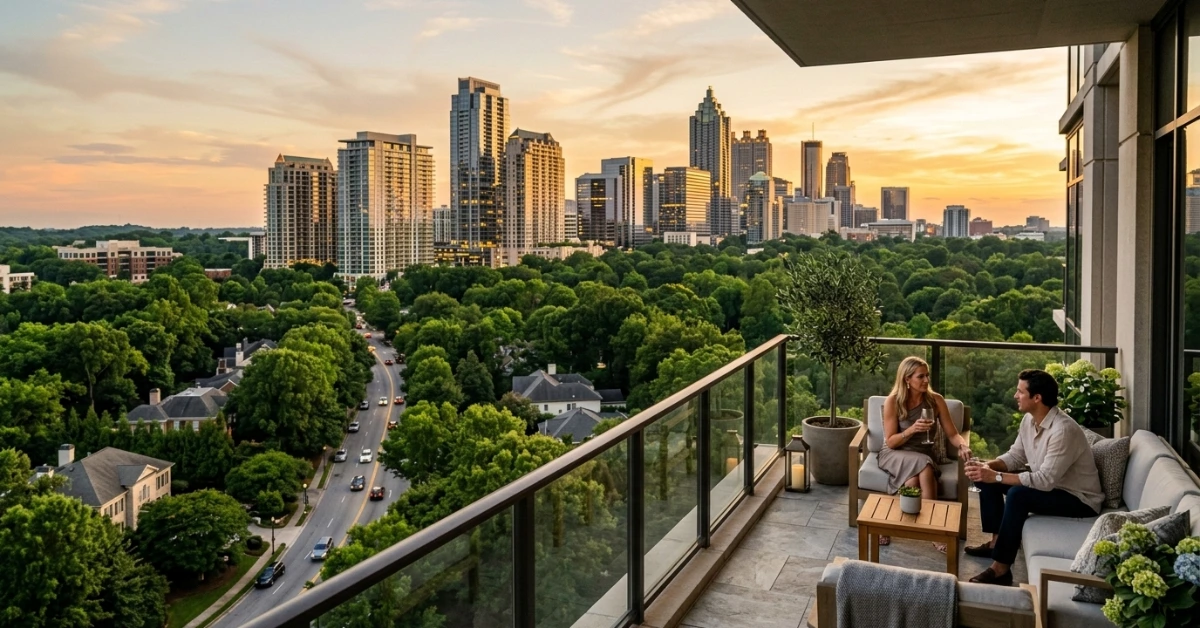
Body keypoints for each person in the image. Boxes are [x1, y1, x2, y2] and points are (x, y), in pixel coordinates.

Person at [965, 368, 1103, 586]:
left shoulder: (1063, 430)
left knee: (1017, 495)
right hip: (1052, 485)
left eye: (1020, 391)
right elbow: (1015, 457)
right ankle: (996, 542)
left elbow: (1044, 481)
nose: (1015, 395)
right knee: (986, 479)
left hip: (1078, 498)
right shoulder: (1029, 421)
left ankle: (1001, 569)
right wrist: (986, 467)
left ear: (1037, 398)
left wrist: (997, 476)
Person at [877, 356, 972, 549]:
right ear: (907, 379)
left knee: (913, 481)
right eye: (921, 377)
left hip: (922, 452)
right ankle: (935, 529)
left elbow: (953, 434)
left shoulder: (935, 400)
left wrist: (963, 445)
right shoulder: (893, 402)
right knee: (925, 465)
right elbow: (892, 442)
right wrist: (912, 429)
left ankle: (885, 524)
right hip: (895, 452)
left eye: (927, 375)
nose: (927, 380)